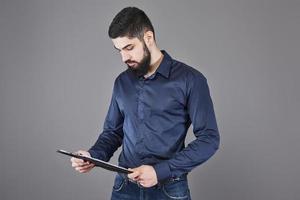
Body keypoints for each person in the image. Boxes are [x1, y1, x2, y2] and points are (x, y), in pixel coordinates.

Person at [70, 7, 220, 200]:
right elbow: (113, 133)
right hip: (124, 188)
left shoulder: (191, 80)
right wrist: (92, 156)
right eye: (119, 50)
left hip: (169, 190)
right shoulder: (122, 82)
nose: (124, 58)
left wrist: (160, 171)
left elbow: (209, 139)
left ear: (148, 37)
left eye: (129, 47)